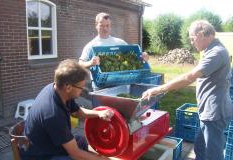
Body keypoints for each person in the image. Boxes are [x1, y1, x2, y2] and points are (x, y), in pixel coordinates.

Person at [141, 20, 233, 160]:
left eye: (192, 38)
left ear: (201, 34)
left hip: (214, 113)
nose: (191, 42)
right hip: (207, 111)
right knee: (201, 148)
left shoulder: (217, 53)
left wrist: (160, 89)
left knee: (213, 154)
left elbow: (190, 77)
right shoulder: (210, 50)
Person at [21, 59, 116, 160]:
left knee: (81, 141)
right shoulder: (53, 114)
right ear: (68, 87)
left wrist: (98, 113)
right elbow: (75, 154)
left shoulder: (58, 90)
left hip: (50, 143)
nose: (82, 91)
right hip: (40, 155)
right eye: (81, 88)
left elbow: (76, 112)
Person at [79, 12, 149, 90]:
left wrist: (143, 57)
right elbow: (80, 64)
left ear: (110, 26)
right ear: (96, 26)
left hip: (121, 85)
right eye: (102, 25)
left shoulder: (120, 43)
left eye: (107, 26)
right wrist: (91, 63)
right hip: (100, 87)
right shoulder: (91, 45)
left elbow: (134, 58)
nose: (105, 29)